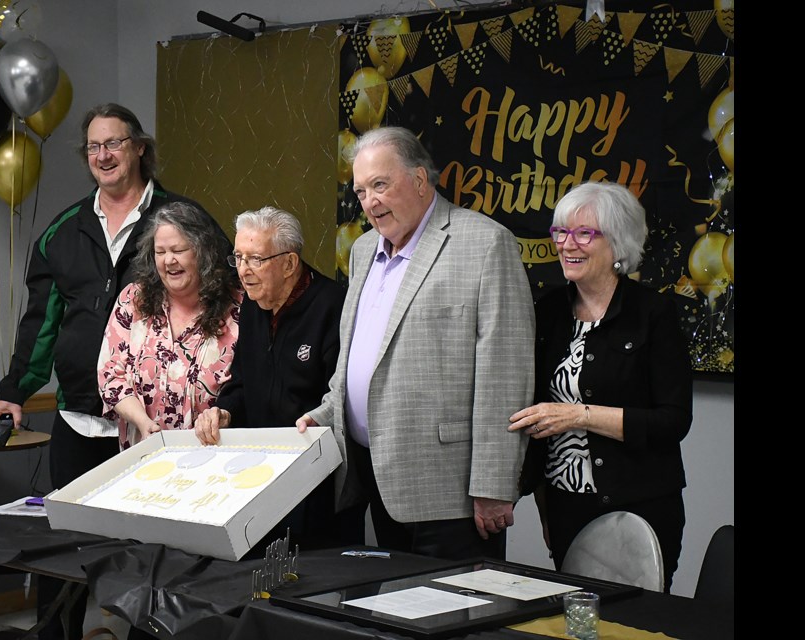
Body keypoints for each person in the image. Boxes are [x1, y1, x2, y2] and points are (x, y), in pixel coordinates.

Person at [0, 103, 228, 640]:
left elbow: (224, 304)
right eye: (94, 147)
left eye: (115, 143)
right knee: (63, 548)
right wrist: (15, 389)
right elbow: (40, 321)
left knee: (157, 552)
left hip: (156, 430)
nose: (104, 155)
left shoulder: (182, 219)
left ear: (139, 147)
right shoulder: (63, 230)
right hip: (78, 420)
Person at [296, 126, 535, 561]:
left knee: (456, 617)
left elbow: (506, 377)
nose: (369, 202)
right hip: (377, 480)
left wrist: (494, 486)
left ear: (421, 180)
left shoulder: (485, 244)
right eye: (361, 190)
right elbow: (357, 355)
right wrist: (326, 414)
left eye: (381, 185)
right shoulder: (363, 249)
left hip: (452, 491)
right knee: (394, 614)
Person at [508, 181, 692, 592]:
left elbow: (673, 420)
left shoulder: (653, 313)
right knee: (576, 624)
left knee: (634, 626)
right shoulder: (548, 312)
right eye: (561, 232)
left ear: (619, 244)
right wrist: (541, 505)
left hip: (640, 507)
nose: (566, 244)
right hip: (564, 505)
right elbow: (537, 420)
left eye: (584, 233)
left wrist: (578, 416)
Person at [193, 206, 355, 550]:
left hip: (315, 481)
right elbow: (241, 380)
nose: (244, 272)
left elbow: (342, 398)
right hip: (259, 477)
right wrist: (224, 410)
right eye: (238, 258)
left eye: (256, 259)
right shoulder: (253, 305)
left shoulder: (333, 306)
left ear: (289, 263)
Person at [98, 202, 241, 447]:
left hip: (215, 456)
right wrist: (143, 422)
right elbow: (111, 376)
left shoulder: (238, 308)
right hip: (145, 453)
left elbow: (248, 385)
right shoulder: (133, 301)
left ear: (202, 251)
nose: (168, 261)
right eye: (160, 252)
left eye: (178, 250)